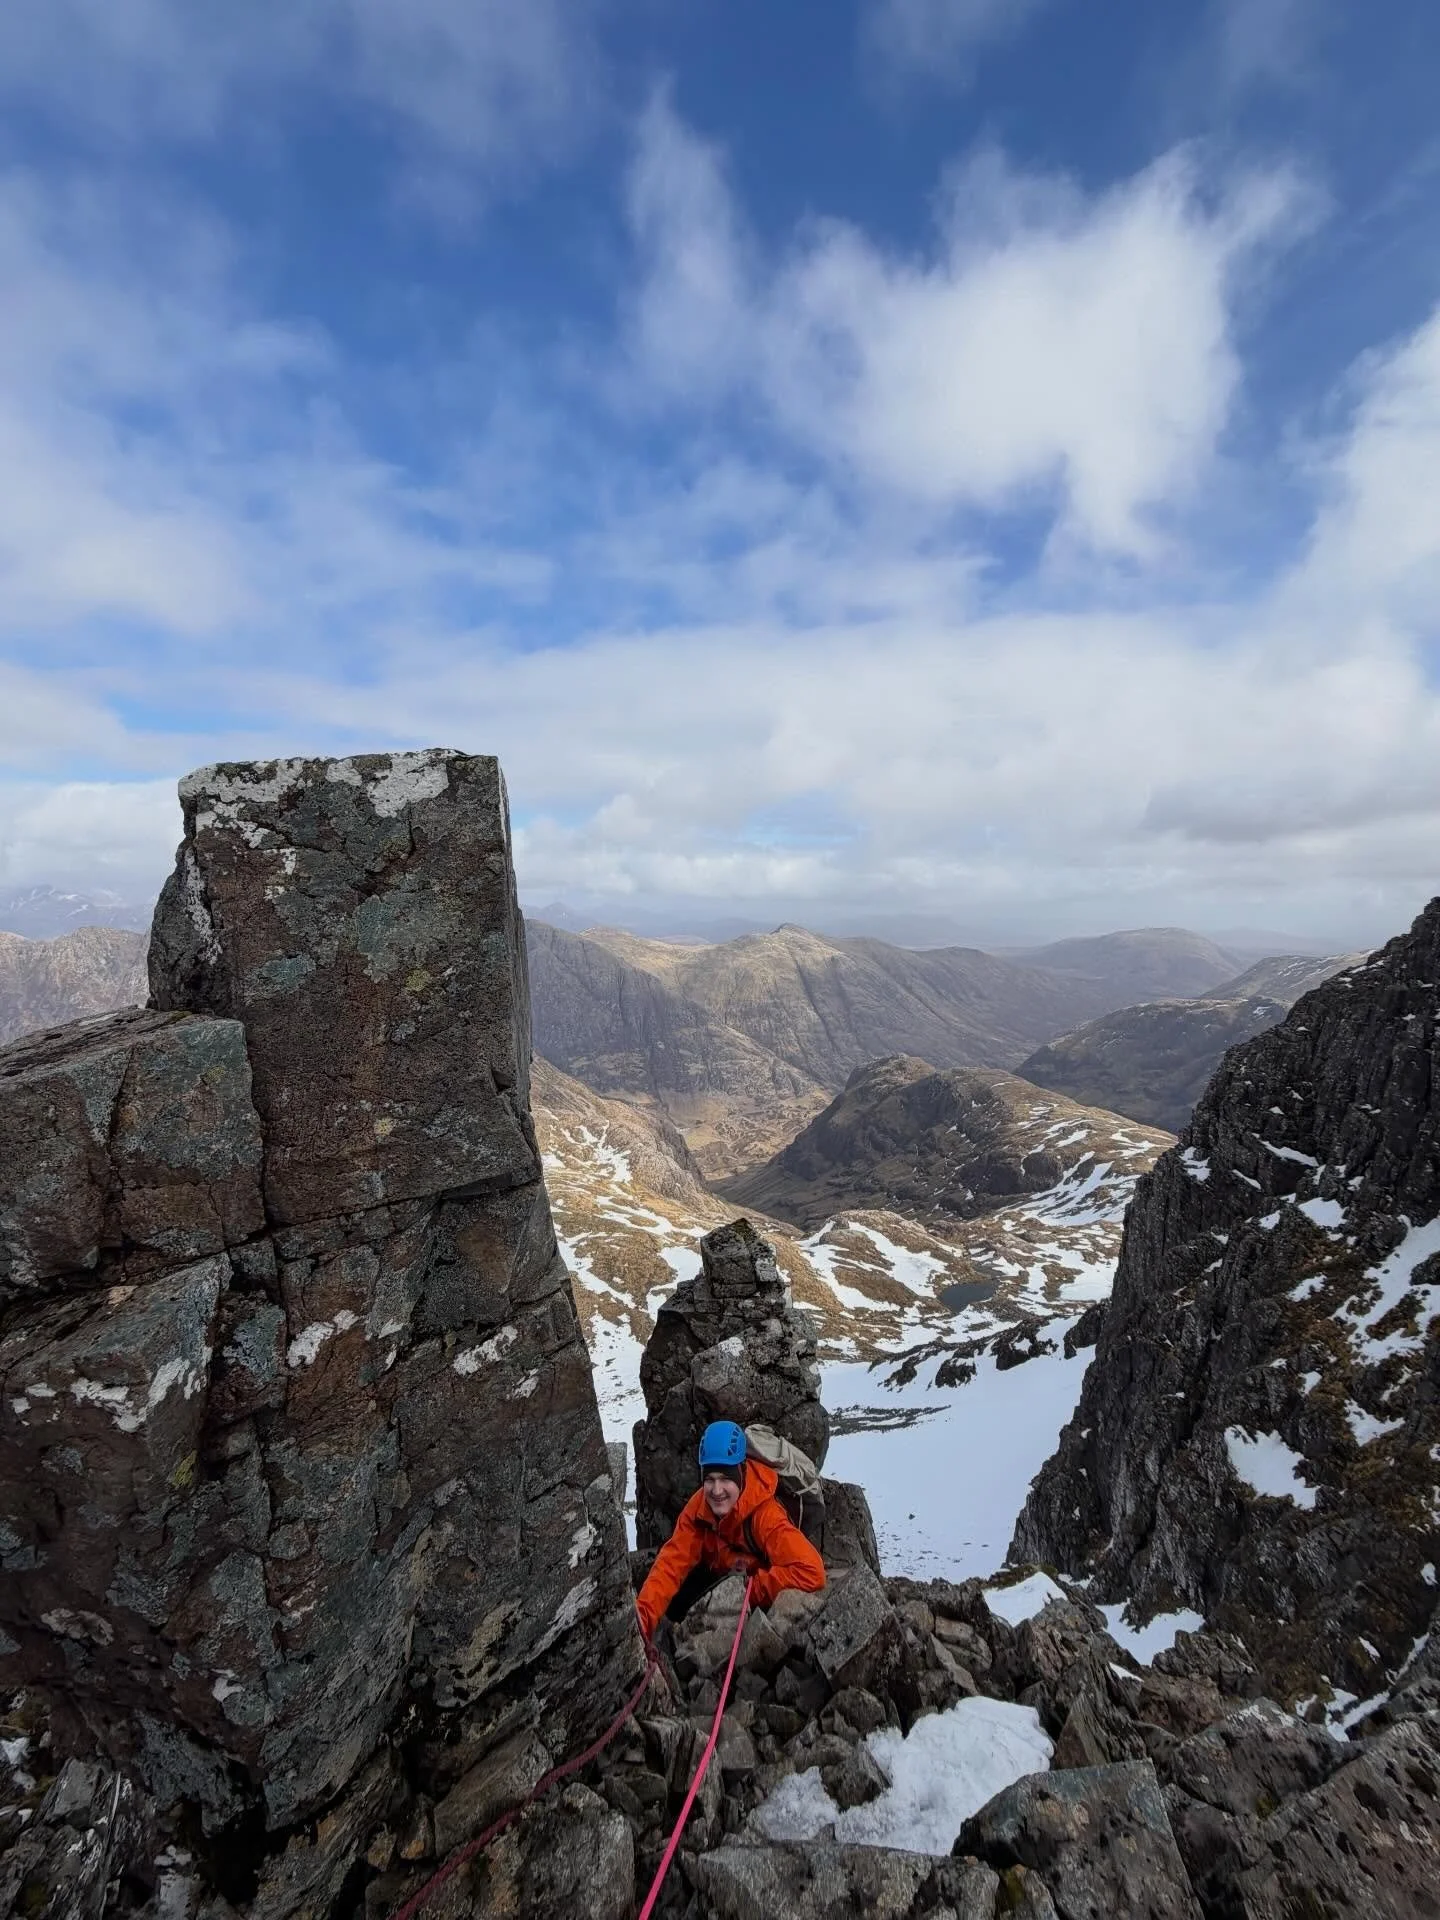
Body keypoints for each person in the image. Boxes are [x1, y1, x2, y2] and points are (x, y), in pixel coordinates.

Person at [635, 1420, 826, 1641]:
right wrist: (643, 1619)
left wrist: (750, 1590)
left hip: (750, 1583)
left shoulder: (765, 1516)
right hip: (721, 1571)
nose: (717, 1491)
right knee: (677, 1601)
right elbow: (670, 1565)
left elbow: (812, 1572)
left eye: (726, 1479)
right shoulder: (698, 1510)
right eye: (710, 1479)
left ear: (740, 1473)